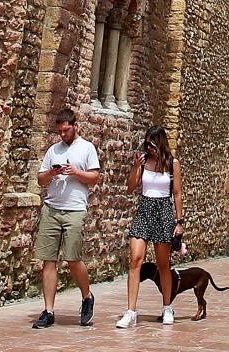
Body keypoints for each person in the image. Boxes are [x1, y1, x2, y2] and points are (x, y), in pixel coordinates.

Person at [31, 107, 102, 330]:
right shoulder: (53, 150)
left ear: (75, 126)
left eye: (66, 130)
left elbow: (95, 177)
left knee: (73, 259)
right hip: (51, 209)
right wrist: (52, 173)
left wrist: (76, 172)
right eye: (60, 131)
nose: (63, 135)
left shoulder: (87, 148)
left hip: (75, 210)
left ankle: (87, 296)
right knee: (48, 260)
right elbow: (41, 180)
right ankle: (49, 311)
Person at [116, 125, 184, 328]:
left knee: (163, 264)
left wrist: (179, 222)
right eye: (146, 144)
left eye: (152, 144)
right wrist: (135, 167)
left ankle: (167, 307)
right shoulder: (143, 161)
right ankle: (131, 311)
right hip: (144, 210)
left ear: (160, 143)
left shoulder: (172, 164)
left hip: (163, 212)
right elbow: (130, 187)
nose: (148, 148)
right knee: (135, 260)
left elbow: (177, 194)